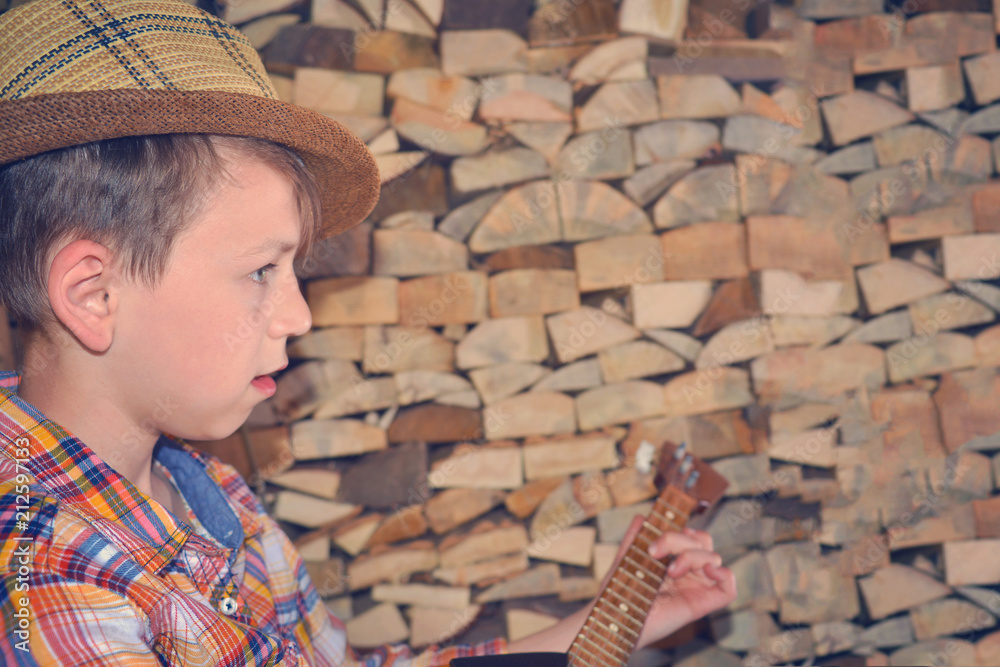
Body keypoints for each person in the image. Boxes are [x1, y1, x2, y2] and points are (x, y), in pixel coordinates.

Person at [0, 0, 736, 664]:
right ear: (94, 295)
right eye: (262, 270)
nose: (298, 316)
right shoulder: (45, 576)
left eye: (293, 271)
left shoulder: (212, 495)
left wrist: (616, 618)